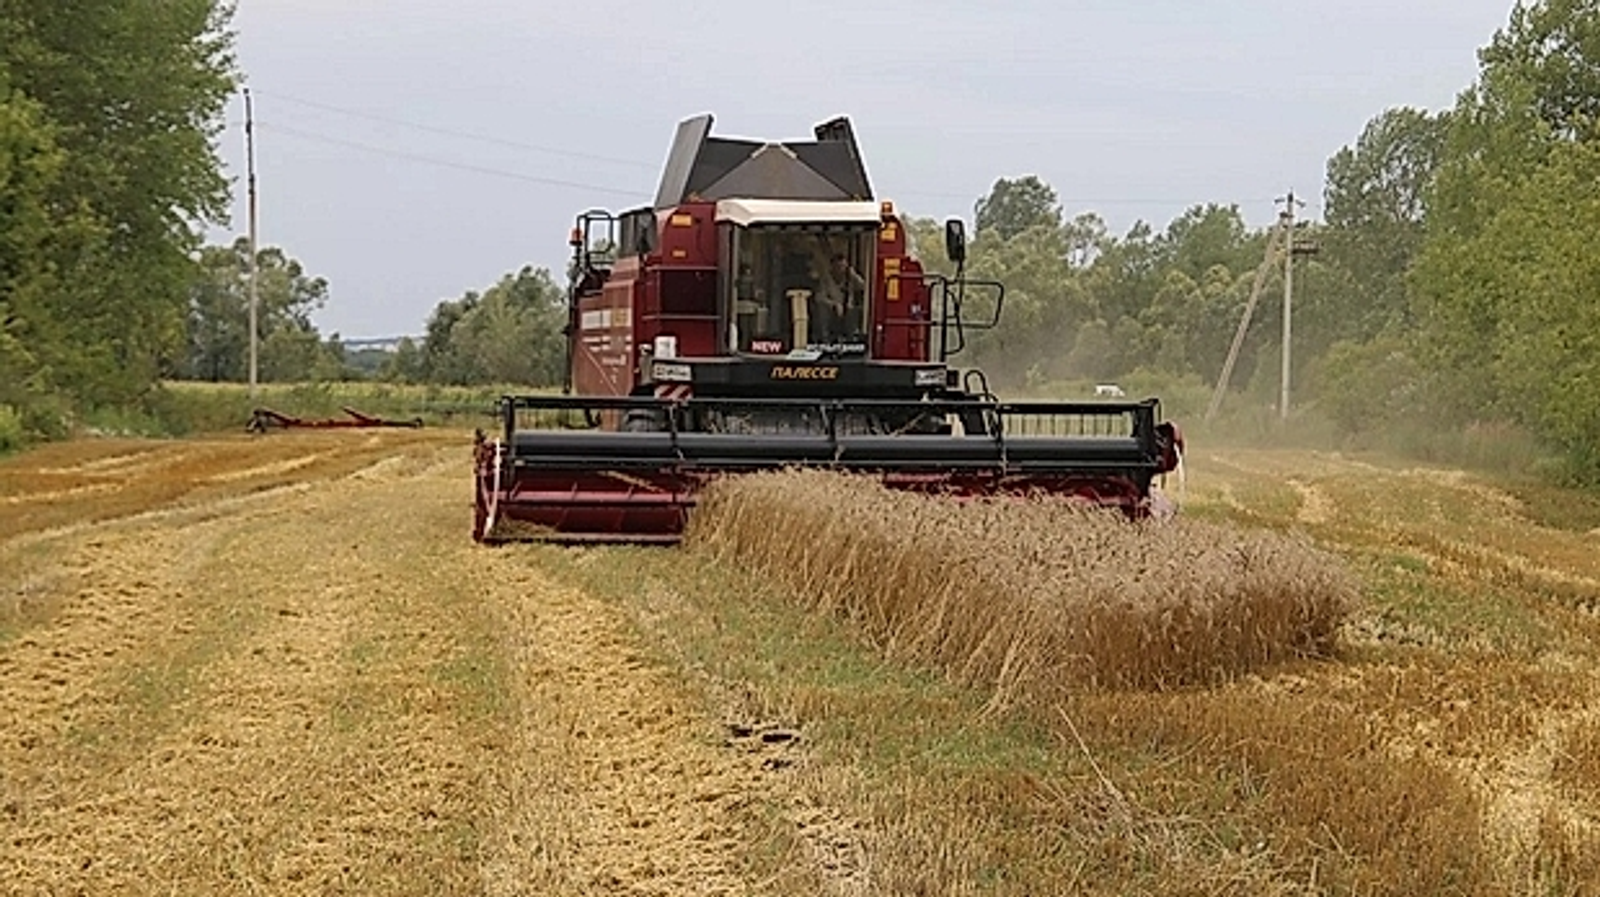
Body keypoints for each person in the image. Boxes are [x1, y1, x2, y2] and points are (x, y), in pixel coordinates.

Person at [813, 251, 867, 341]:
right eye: (838, 267)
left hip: (848, 310)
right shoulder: (826, 279)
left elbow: (864, 287)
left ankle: (852, 338)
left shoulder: (850, 279)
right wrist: (834, 304)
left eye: (843, 267)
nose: (841, 270)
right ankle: (825, 338)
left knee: (854, 311)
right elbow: (819, 297)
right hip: (831, 310)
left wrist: (854, 275)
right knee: (822, 309)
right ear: (832, 267)